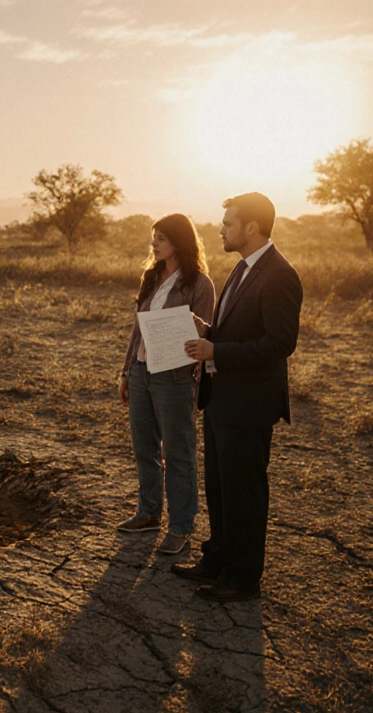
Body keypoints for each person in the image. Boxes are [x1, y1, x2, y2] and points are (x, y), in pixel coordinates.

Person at [177, 192, 302, 602]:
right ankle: (217, 559)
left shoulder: (280, 275)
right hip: (221, 398)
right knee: (219, 485)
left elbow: (280, 343)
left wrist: (218, 352)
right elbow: (239, 329)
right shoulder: (242, 268)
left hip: (249, 405)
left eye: (228, 223)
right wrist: (208, 331)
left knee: (245, 492)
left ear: (252, 227)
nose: (220, 229)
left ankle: (243, 578)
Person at [117, 214, 216, 556]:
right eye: (153, 237)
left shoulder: (200, 284)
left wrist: (191, 328)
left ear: (179, 241)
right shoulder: (152, 276)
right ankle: (148, 513)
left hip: (174, 377)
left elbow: (205, 333)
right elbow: (137, 329)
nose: (154, 243)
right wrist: (126, 371)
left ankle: (180, 526)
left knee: (177, 453)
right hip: (143, 372)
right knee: (144, 446)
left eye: (161, 237)